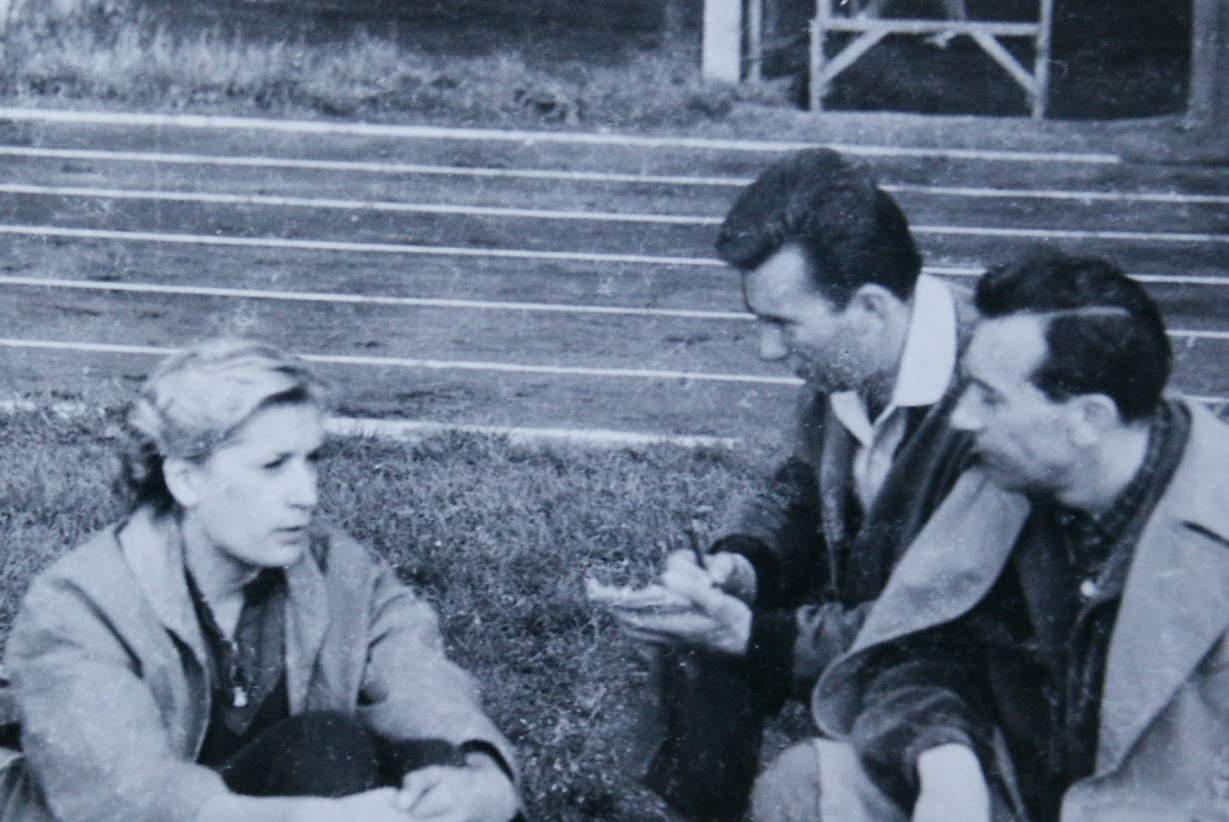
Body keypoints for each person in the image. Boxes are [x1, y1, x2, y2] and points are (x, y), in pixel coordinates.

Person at [779, 251, 1229, 821]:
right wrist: (943, 757)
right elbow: (922, 648)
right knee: (810, 784)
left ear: (1088, 419)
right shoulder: (1011, 483)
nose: (962, 418)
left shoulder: (1212, 530)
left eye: (990, 397)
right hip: (1018, 798)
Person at [0, 338, 521, 822]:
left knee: (421, 760)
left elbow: (421, 684)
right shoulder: (78, 604)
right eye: (273, 466)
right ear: (186, 478)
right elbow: (127, 793)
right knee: (324, 747)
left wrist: (485, 779)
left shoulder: (339, 568)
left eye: (311, 461)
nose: (306, 495)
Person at [612, 148, 978, 821]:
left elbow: (942, 629)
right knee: (704, 625)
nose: (768, 351)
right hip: (889, 633)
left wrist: (758, 636)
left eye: (782, 324)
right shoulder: (858, 352)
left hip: (964, 679)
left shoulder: (993, 394)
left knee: (733, 649)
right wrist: (741, 565)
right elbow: (803, 482)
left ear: (869, 308)